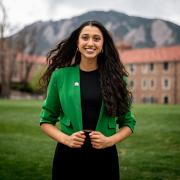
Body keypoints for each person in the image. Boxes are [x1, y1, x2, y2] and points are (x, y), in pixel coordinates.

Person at [39, 20, 136, 180]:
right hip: (67, 156)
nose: (90, 43)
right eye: (85, 37)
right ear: (77, 43)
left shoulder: (117, 79)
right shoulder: (60, 76)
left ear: (103, 45)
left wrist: (109, 141)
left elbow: (128, 123)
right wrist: (66, 139)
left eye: (96, 38)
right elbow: (45, 120)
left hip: (104, 157)